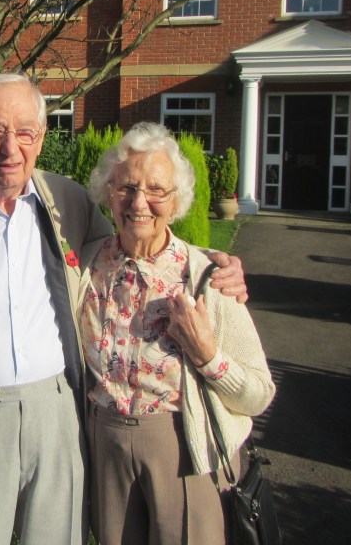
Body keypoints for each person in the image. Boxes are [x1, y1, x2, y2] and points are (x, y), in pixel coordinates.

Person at [0, 74, 249, 545]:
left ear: (41, 138)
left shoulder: (66, 201)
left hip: (60, 415)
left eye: (25, 132)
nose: (9, 148)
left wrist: (211, 265)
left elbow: (137, 245)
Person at [81, 122, 276, 545]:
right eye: (126, 187)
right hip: (105, 447)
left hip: (185, 449)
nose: (139, 202)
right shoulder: (87, 265)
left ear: (176, 202)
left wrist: (208, 356)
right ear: (108, 194)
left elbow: (259, 394)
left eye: (156, 190)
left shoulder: (208, 277)